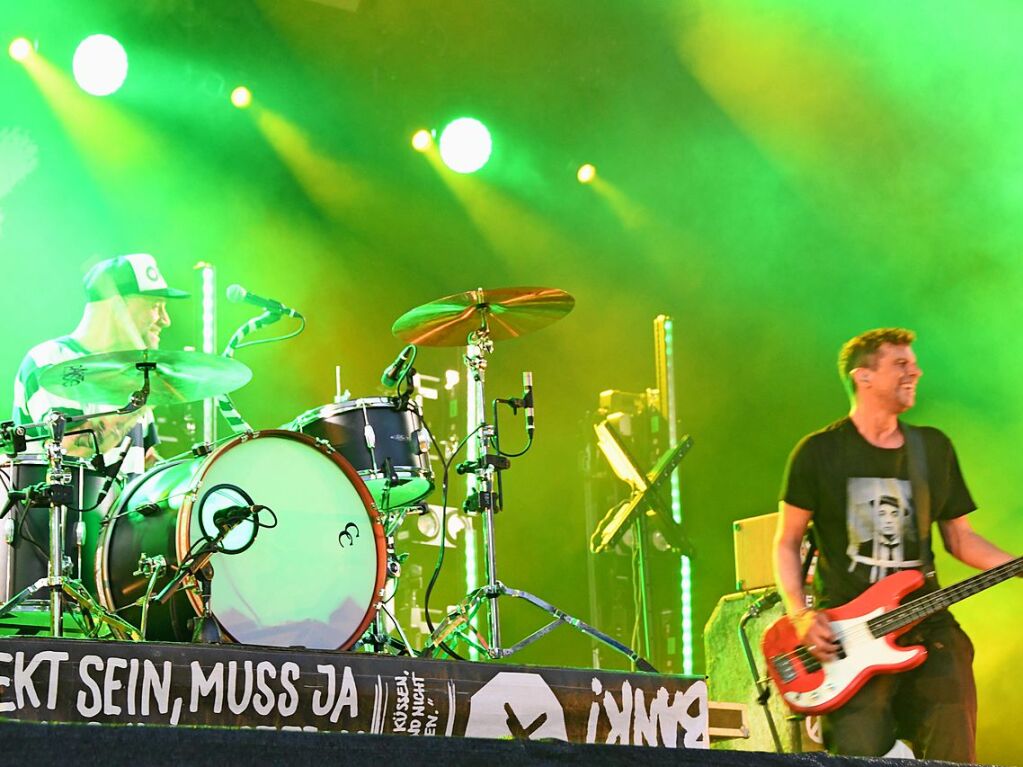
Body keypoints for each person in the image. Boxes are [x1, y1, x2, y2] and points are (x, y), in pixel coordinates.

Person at [773, 327, 1017, 762]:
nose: (916, 371)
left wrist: (1016, 564)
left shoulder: (933, 449)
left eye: (914, 363)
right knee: (859, 754)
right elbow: (787, 543)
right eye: (901, 364)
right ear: (863, 377)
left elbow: (961, 539)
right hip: (847, 635)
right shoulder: (818, 452)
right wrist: (801, 615)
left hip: (926, 620)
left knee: (953, 744)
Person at [11, 253, 188, 475]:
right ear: (117, 308)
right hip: (59, 509)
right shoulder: (50, 360)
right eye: (155, 306)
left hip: (121, 511)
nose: (165, 319)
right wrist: (143, 401)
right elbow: (72, 452)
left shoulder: (135, 374)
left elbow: (143, 465)